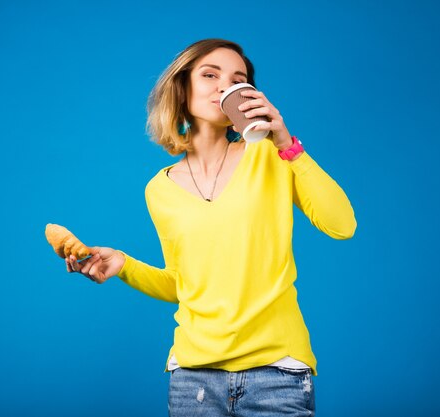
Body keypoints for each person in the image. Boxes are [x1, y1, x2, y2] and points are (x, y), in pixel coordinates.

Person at [65, 39, 357, 417]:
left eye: (238, 79)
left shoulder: (270, 156)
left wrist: (285, 141)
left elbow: (342, 224)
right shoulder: (159, 189)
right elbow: (183, 285)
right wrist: (124, 265)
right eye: (209, 74)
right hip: (193, 379)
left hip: (277, 375)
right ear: (182, 88)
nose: (224, 85)